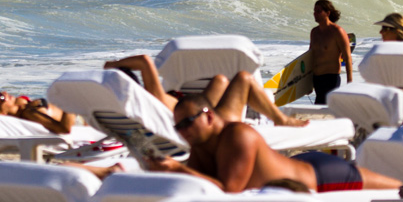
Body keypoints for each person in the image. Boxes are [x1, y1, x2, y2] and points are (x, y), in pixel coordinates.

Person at [146, 77, 402, 193]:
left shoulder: (237, 135)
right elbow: (199, 182)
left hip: (319, 179)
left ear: (209, 116)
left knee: (402, 191)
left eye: (187, 123)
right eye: (178, 127)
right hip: (299, 166)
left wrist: (176, 170)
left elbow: (228, 190)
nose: (183, 132)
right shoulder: (200, 144)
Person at [103, 54, 307, 126]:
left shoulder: (129, 104)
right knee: (243, 78)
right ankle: (280, 119)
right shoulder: (151, 97)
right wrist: (113, 64)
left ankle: (263, 106)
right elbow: (145, 61)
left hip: (195, 111)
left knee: (219, 80)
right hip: (209, 123)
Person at [0, 51, 77, 134]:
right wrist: (71, 100)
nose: (5, 93)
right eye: (1, 97)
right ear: (1, 113)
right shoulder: (30, 113)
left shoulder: (20, 108)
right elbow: (64, 129)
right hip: (84, 120)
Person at [308, 0, 353, 104]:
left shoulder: (337, 31)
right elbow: (310, 57)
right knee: (321, 110)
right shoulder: (314, 32)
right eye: (314, 11)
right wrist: (307, 83)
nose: (315, 14)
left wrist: (350, 81)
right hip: (317, 79)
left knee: (323, 110)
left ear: (327, 13)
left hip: (331, 79)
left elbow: (347, 57)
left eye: (318, 11)